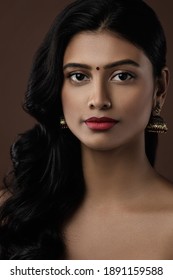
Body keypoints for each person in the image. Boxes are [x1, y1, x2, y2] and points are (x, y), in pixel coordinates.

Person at [0, 0, 173, 260]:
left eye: (122, 76)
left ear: (159, 89)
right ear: (58, 88)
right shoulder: (11, 213)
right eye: (79, 76)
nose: (99, 99)